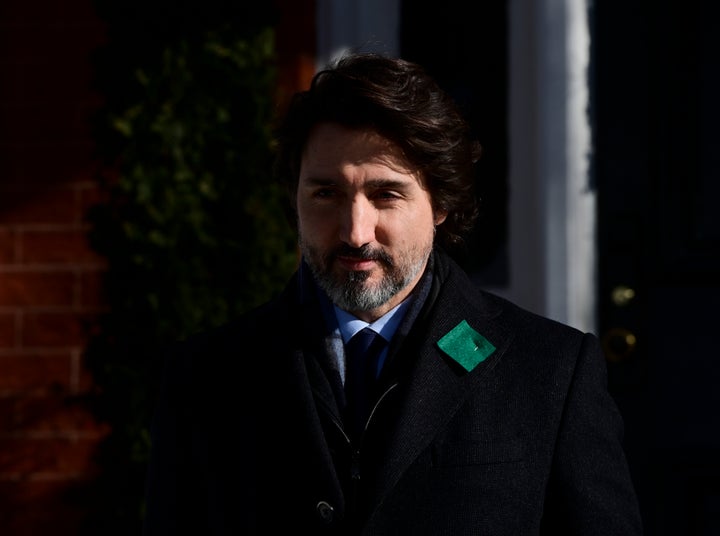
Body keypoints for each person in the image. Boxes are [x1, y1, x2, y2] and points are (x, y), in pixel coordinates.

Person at [141, 52, 643, 535]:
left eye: (386, 195)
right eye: (325, 193)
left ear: (441, 203)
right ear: (293, 199)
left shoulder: (550, 370)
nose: (355, 231)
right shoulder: (205, 377)